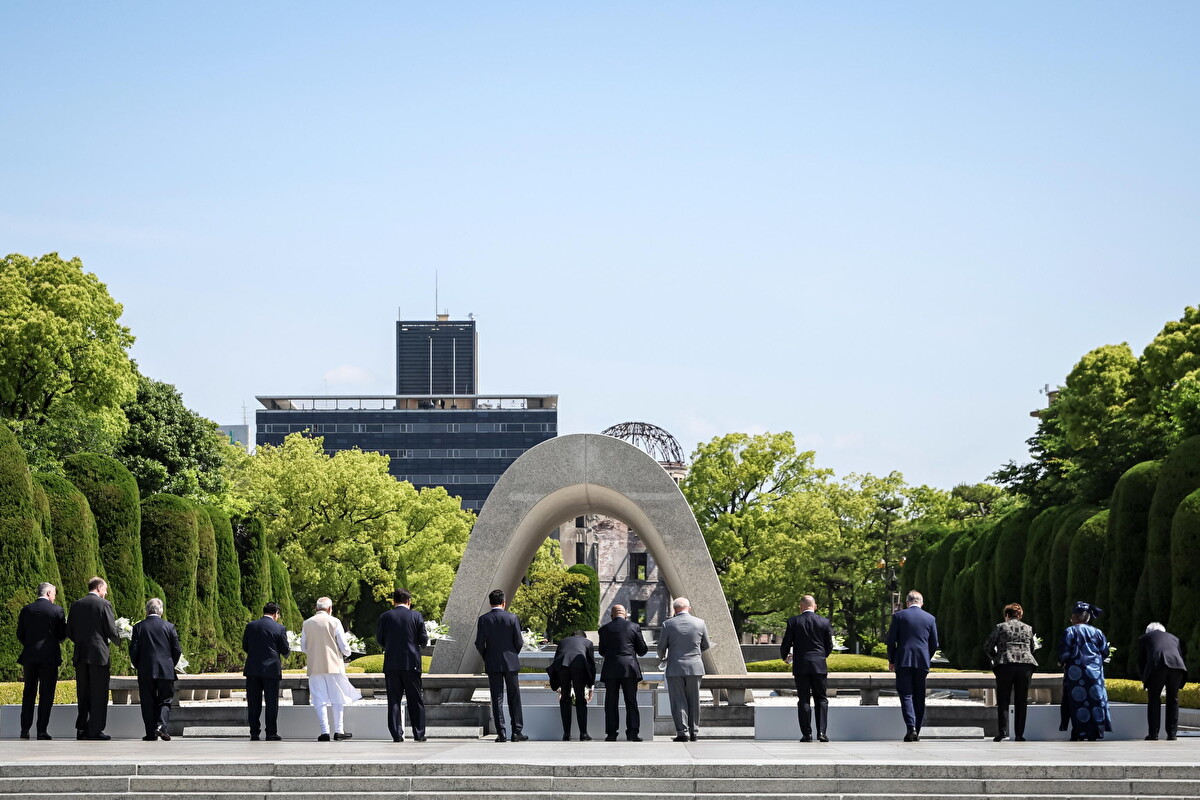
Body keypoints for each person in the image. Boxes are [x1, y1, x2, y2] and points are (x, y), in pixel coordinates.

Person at [66, 577, 121, 741]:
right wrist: (119, 639)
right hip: (99, 655)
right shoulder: (104, 605)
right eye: (105, 589)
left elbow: (69, 631)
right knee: (99, 693)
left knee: (83, 693)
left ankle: (82, 728)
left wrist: (82, 641)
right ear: (99, 588)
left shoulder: (76, 605)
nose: (106, 593)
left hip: (81, 654)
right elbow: (110, 629)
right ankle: (95, 730)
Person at [301, 597, 361, 742]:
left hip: (315, 666)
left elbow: (303, 647)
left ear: (316, 608)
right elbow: (345, 647)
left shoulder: (307, 623)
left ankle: (324, 731)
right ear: (329, 609)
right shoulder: (334, 622)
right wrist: (346, 654)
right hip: (334, 665)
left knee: (319, 699)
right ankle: (339, 730)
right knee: (337, 697)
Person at [885, 590, 939, 742]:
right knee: (919, 696)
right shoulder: (930, 618)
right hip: (922, 661)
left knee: (906, 695)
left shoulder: (899, 616)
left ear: (907, 603)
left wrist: (892, 659)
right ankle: (918, 729)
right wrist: (927, 656)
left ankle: (911, 728)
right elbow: (934, 643)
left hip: (903, 660)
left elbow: (891, 641)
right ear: (921, 603)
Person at [376, 588, 428, 742]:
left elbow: (379, 639)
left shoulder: (385, 616)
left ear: (394, 601)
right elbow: (423, 639)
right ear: (409, 601)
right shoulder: (416, 616)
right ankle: (419, 733)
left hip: (392, 663)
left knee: (394, 700)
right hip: (411, 663)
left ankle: (397, 734)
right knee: (415, 699)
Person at [16, 582, 67, 740]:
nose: (55, 597)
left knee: (28, 693)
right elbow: (61, 634)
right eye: (54, 594)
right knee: (46, 694)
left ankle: (25, 729)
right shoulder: (57, 610)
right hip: (49, 657)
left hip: (30, 657)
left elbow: (20, 634)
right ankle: (41, 730)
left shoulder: (26, 610)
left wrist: (30, 644)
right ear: (49, 593)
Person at [474, 588, 526, 742]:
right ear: (504, 602)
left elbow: (478, 643)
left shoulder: (484, 619)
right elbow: (519, 641)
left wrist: (487, 656)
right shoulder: (512, 618)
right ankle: (517, 731)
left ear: (490, 603)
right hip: (511, 662)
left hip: (493, 662)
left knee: (497, 698)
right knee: (514, 697)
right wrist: (513, 654)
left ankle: (501, 732)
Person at [780, 594, 834, 742]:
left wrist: (785, 656)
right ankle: (822, 733)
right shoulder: (824, 622)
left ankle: (807, 734)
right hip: (819, 665)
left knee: (803, 699)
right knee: (821, 699)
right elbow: (829, 645)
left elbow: (786, 643)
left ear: (801, 606)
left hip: (801, 665)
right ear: (814, 606)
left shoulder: (794, 621)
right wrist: (822, 656)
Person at [657, 597, 710, 742]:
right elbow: (706, 644)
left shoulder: (668, 624)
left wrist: (662, 658)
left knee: (678, 700)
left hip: (675, 667)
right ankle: (694, 731)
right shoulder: (700, 623)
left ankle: (682, 732)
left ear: (675, 609)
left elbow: (661, 647)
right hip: (695, 666)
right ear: (689, 608)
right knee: (694, 699)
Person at [129, 598, 182, 742]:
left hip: (146, 670)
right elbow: (176, 650)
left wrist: (139, 665)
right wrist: (171, 665)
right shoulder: (169, 627)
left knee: (147, 701)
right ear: (161, 611)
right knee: (165, 700)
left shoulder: (138, 627)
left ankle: (150, 733)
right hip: (166, 670)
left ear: (146, 611)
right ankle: (161, 726)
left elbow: (134, 651)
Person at [1058, 600, 1111, 741]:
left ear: (1076, 617)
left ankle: (1080, 732)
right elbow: (1105, 651)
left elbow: (1065, 652)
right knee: (1095, 701)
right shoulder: (1097, 632)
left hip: (1076, 673)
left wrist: (1061, 662)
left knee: (1077, 702)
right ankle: (1096, 731)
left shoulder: (1070, 631)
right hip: (1095, 673)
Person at [984, 602, 1038, 742]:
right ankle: (1019, 734)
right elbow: (1032, 648)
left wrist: (995, 658)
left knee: (1003, 699)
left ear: (1007, 615)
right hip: (1025, 665)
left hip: (1005, 664)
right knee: (1022, 700)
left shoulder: (1001, 627)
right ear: (1019, 615)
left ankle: (1002, 732)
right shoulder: (1028, 628)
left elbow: (988, 646)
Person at [597, 604, 648, 741]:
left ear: (611, 615)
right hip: (629, 668)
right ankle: (632, 733)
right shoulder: (634, 627)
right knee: (631, 700)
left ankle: (611, 733)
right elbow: (642, 650)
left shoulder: (604, 629)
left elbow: (602, 651)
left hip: (611, 668)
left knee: (611, 702)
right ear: (625, 614)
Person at [242, 601, 290, 741]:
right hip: (271, 670)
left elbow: (245, 646)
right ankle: (271, 732)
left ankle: (254, 733)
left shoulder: (251, 626)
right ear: (276, 614)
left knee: (253, 702)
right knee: (271, 702)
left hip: (253, 669)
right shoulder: (279, 628)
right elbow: (284, 649)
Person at [1138, 621, 1188, 741]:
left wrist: (1144, 679)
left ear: (1148, 631)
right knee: (1173, 699)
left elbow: (1141, 660)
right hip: (1177, 667)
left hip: (1157, 666)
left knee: (1154, 698)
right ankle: (1172, 734)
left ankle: (1153, 734)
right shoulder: (1174, 638)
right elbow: (1179, 655)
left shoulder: (1144, 638)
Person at [549, 629, 595, 741]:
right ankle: (583, 734)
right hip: (579, 666)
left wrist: (558, 686)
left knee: (565, 698)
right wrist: (591, 686)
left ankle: (566, 734)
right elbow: (591, 666)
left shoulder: (563, 641)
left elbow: (556, 660)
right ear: (583, 636)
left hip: (562, 666)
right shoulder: (587, 642)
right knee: (580, 698)